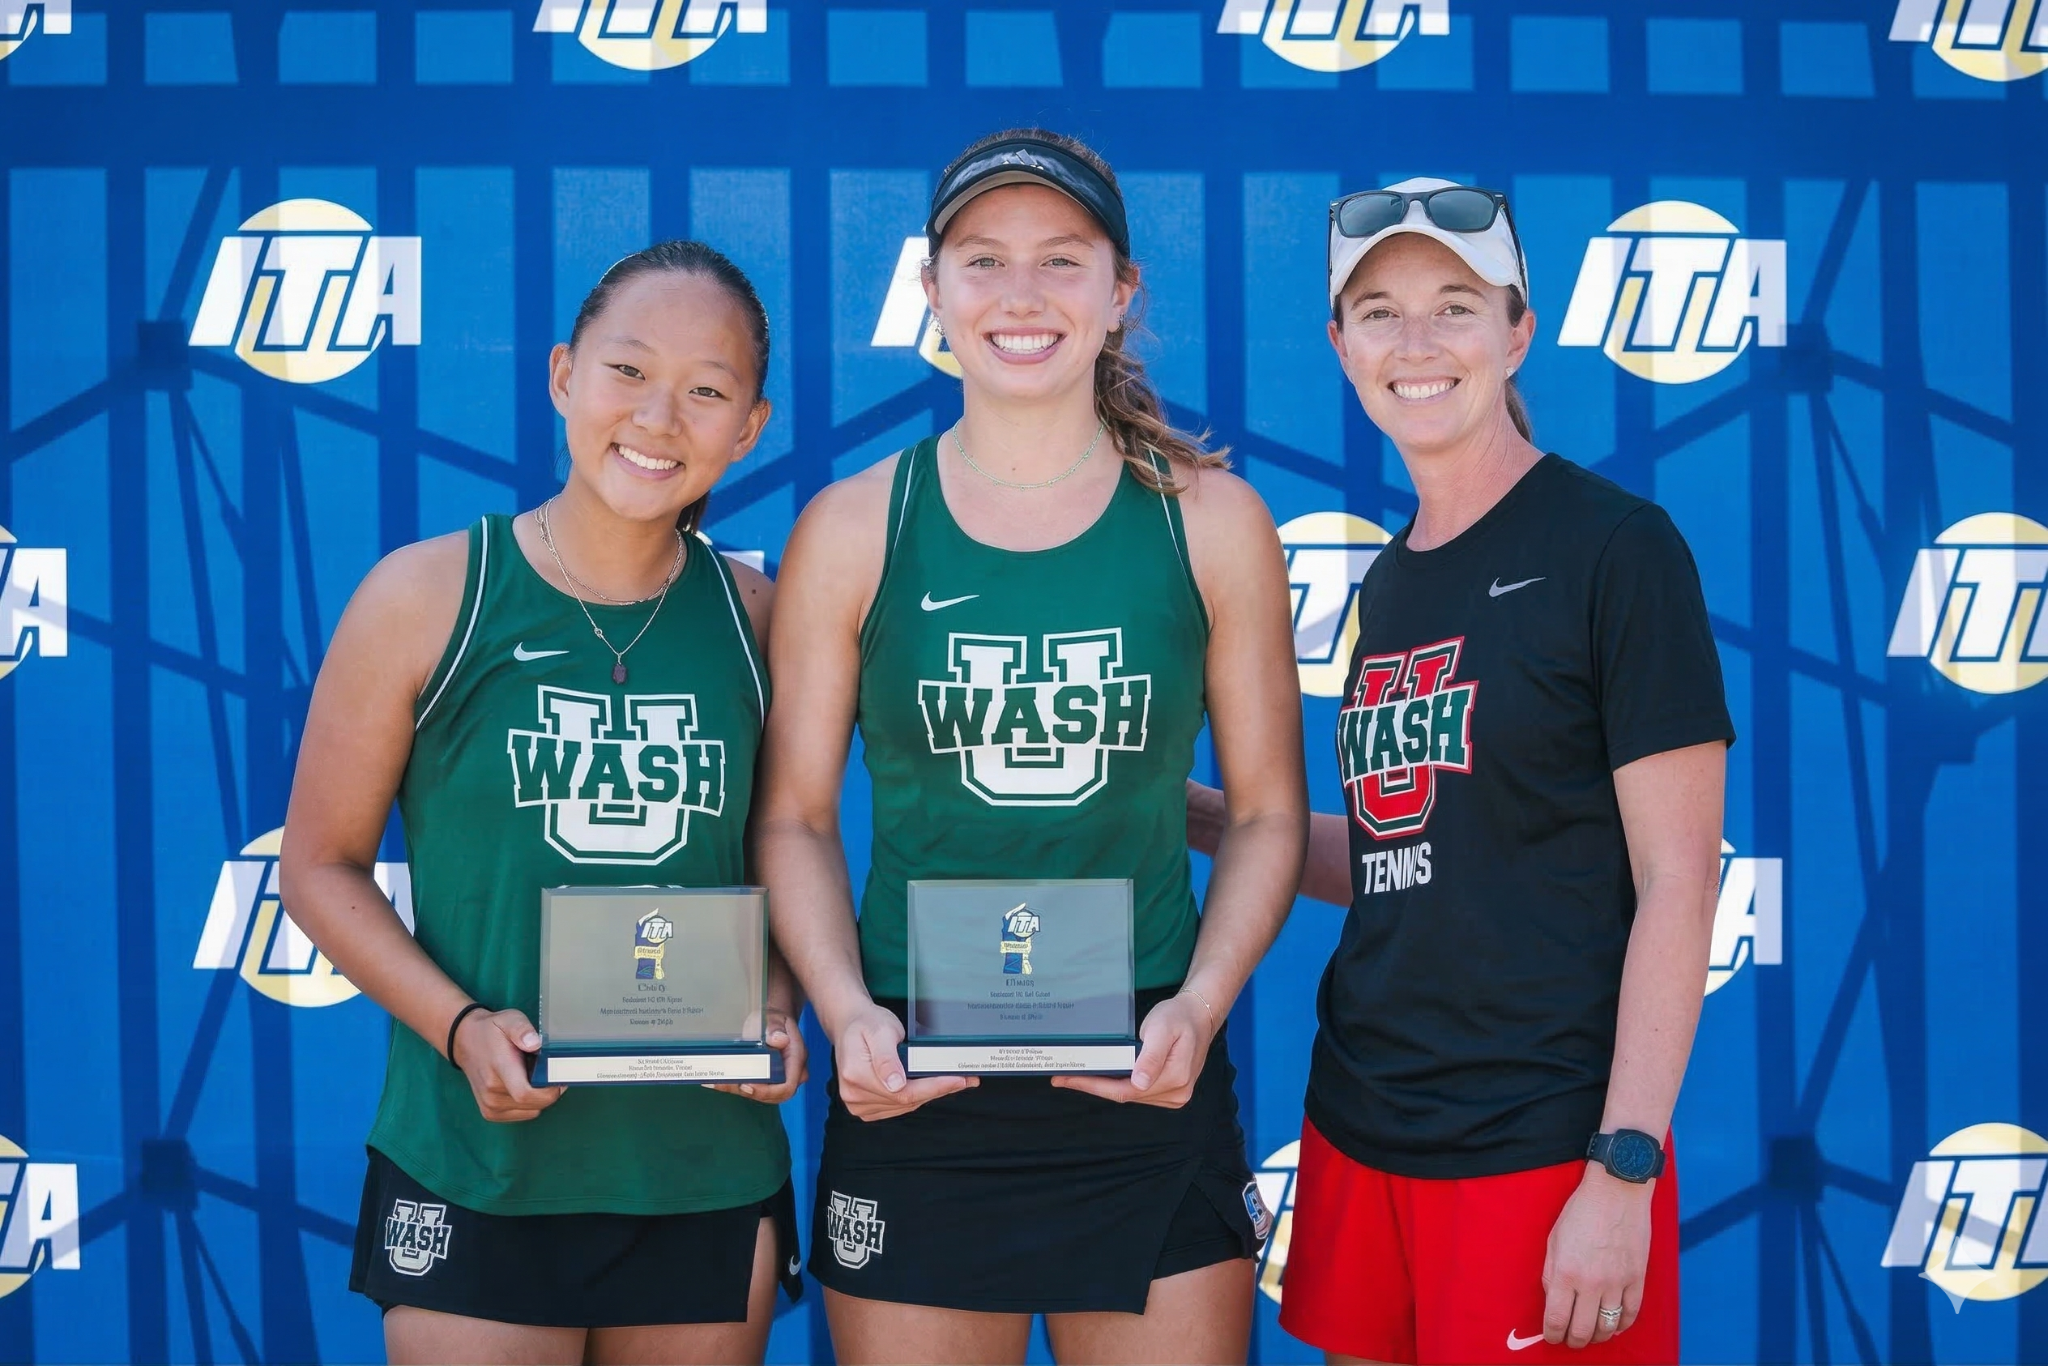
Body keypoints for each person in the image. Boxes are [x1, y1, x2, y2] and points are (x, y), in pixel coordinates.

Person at [756, 128, 1308, 1365]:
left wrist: (1202, 1008)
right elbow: (792, 815)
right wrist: (846, 1012)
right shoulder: (852, 526)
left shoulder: (1209, 521)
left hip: (1145, 1071)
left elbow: (1269, 811)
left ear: (1119, 296)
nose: (1020, 296)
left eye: (1062, 261)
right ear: (932, 292)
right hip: (909, 1080)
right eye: (982, 260)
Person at [1190, 179, 1732, 1365]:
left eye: (1454, 305)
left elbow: (1681, 879)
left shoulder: (1614, 548)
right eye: (1378, 312)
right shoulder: (1391, 581)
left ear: (1516, 331)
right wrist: (1202, 814)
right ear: (1340, 348)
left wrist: (1622, 1165)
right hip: (1361, 1124)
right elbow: (1405, 852)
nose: (1417, 341)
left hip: (1538, 1145)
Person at [279, 241, 806, 1365]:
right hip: (473, 1157)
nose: (659, 418)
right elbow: (317, 865)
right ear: (564, 374)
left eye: (706, 390)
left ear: (748, 427)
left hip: (699, 1161)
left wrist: (772, 1005)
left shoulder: (765, 620)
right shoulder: (427, 594)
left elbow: (786, 852)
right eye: (627, 371)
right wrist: (460, 1027)